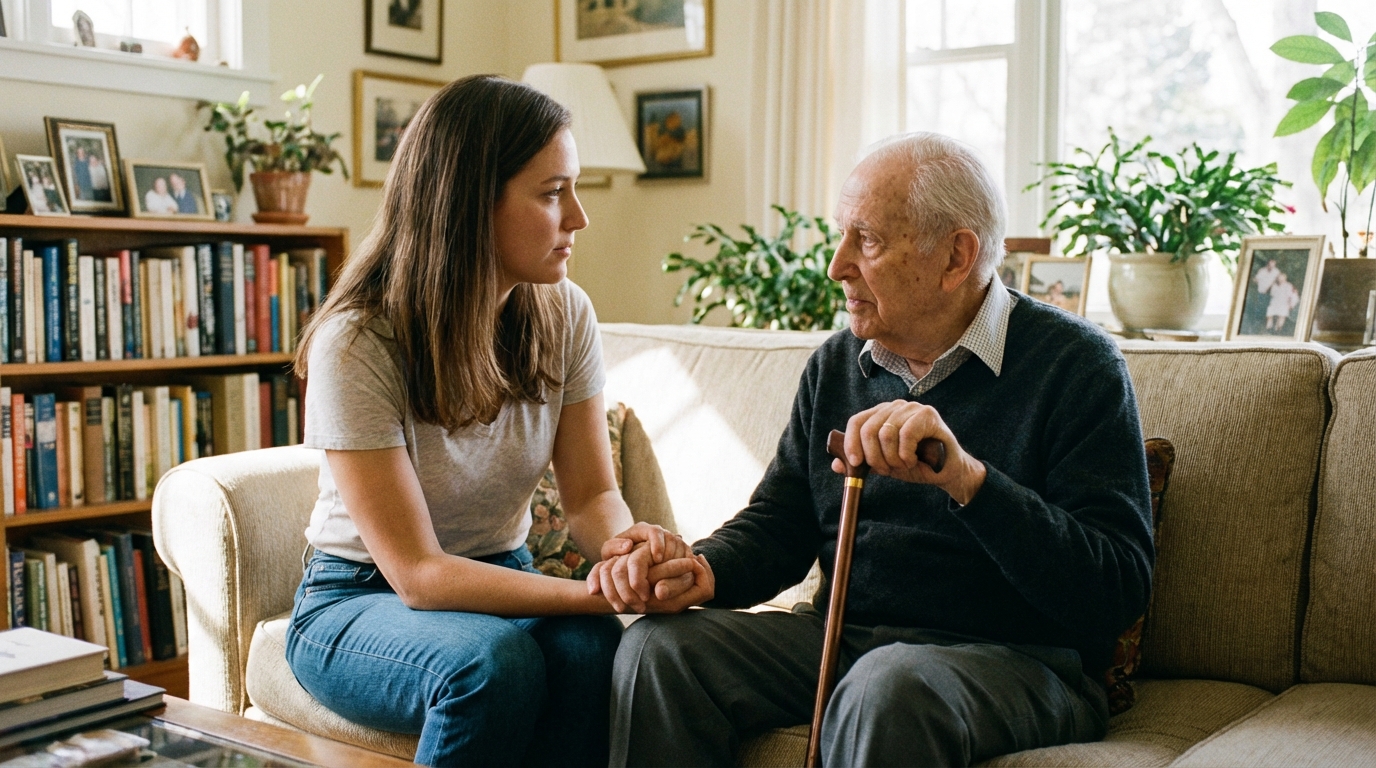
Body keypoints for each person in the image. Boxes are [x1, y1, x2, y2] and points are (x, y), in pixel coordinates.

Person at [601, 132, 1154, 767]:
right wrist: (702, 571)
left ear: (955, 257)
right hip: (845, 641)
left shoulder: (1077, 365)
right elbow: (782, 521)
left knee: (886, 686)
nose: (837, 265)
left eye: (866, 241)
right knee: (657, 650)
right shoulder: (838, 364)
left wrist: (967, 479)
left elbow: (1116, 586)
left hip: (1021, 660)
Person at [284, 74, 708, 768]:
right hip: (359, 598)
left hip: (501, 572)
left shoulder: (564, 314)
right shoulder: (358, 341)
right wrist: (597, 594)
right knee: (488, 664)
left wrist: (625, 551)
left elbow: (591, 497)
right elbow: (420, 575)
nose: (578, 217)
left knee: (594, 655)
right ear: (467, 204)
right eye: (551, 192)